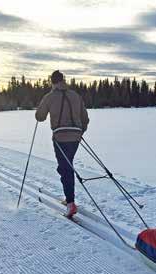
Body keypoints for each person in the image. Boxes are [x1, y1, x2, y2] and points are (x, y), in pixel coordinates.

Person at [35, 70, 90, 218]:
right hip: (75, 136)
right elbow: (85, 119)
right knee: (67, 165)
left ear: (52, 82)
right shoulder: (76, 95)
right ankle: (69, 199)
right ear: (63, 80)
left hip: (60, 137)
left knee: (65, 168)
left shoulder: (49, 96)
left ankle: (71, 203)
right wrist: (79, 132)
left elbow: (40, 117)